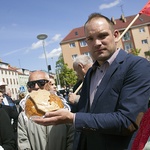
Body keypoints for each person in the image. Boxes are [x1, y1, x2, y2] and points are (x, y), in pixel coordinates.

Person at [32, 13, 150, 150]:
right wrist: (52, 107)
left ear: (116, 35)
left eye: (102, 36)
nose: (97, 43)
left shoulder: (137, 66)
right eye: (90, 39)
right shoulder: (91, 73)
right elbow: (86, 111)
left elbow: (127, 121)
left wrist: (73, 118)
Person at [17, 70, 74, 150]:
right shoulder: (24, 116)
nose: (36, 87)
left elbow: (72, 140)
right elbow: (23, 144)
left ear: (49, 84)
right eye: (31, 84)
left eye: (41, 82)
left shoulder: (63, 109)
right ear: (28, 88)